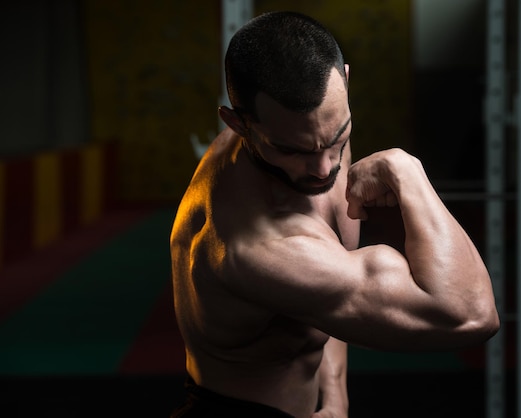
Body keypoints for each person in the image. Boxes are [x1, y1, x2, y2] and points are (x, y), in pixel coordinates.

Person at [169, 10, 500, 418]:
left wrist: (337, 398)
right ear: (238, 124)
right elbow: (472, 314)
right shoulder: (259, 250)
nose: (325, 169)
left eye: (339, 139)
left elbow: (319, 300)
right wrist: (407, 171)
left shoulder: (308, 129)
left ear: (343, 80)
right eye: (292, 151)